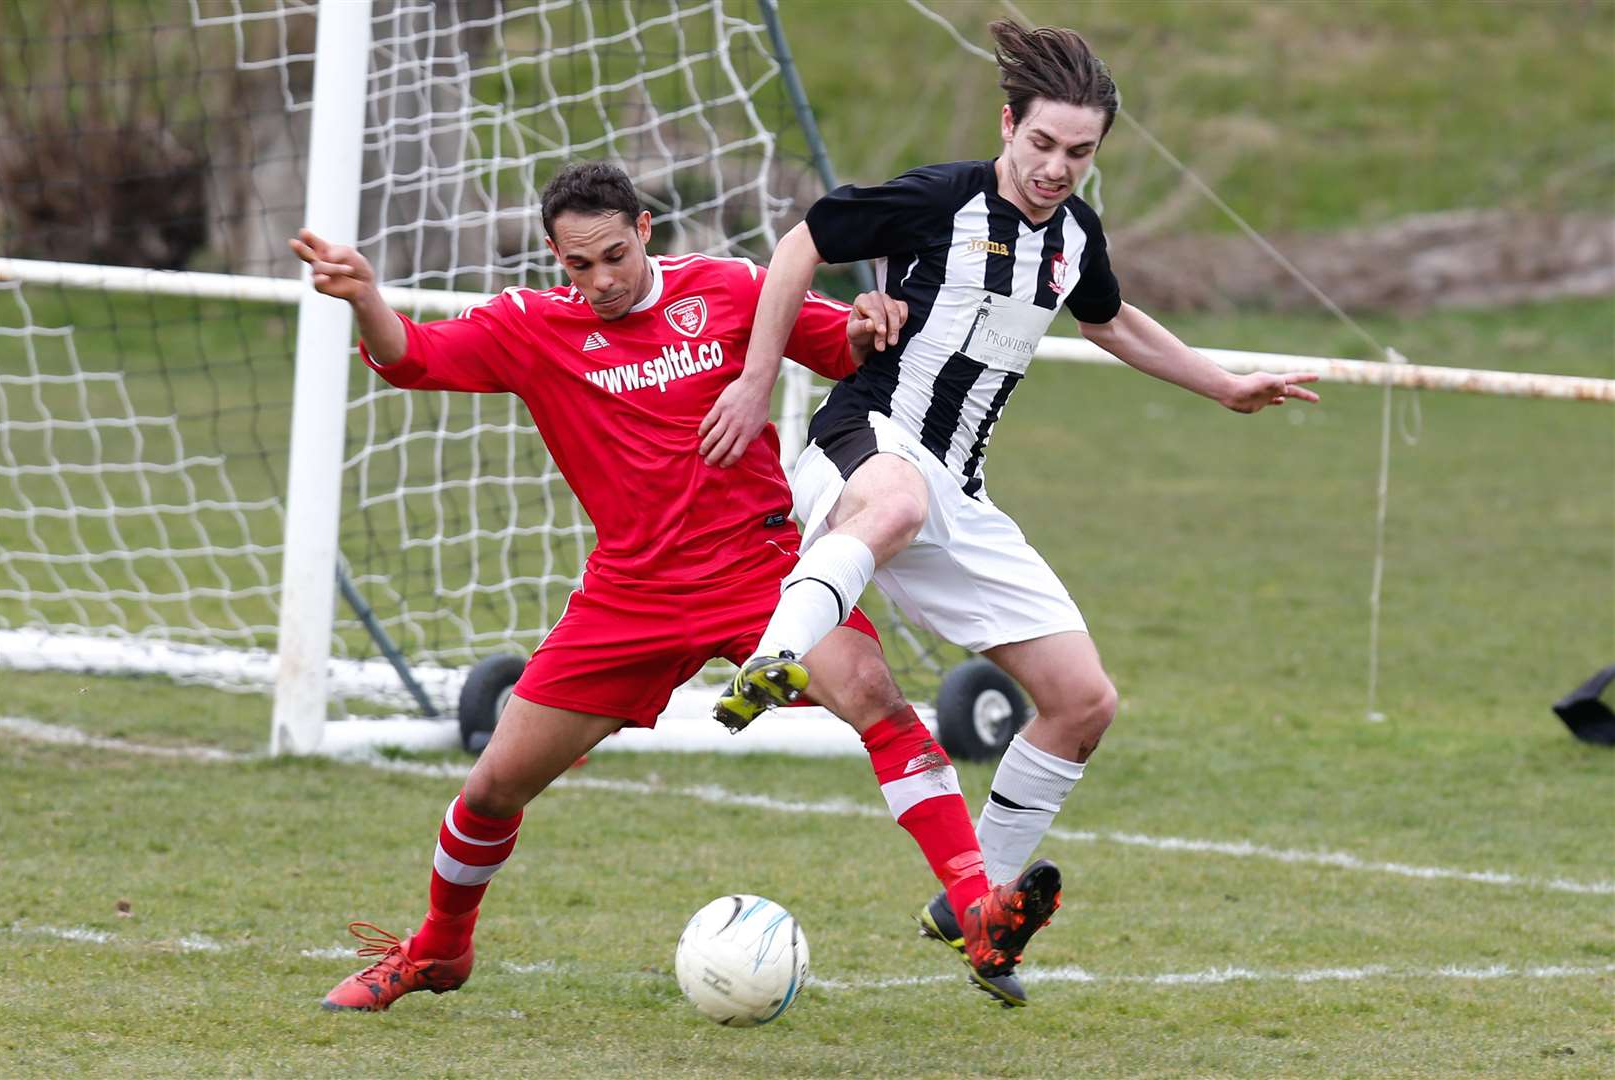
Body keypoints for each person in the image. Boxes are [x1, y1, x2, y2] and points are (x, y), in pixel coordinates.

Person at [291, 161, 1060, 1013]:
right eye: (578, 266)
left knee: (877, 695)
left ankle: (978, 906)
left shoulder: (730, 292)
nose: (601, 282)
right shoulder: (531, 325)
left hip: (757, 573)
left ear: (646, 229)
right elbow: (412, 359)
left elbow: (841, 342)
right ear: (555, 258)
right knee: (491, 788)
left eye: (614, 256)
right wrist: (366, 297)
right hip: (630, 597)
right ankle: (438, 951)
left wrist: (872, 318)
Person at [704, 21, 1321, 984]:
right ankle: (776, 658)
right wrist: (752, 381)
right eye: (1041, 144)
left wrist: (1225, 384)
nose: (1056, 167)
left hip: (962, 486)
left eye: (1079, 152)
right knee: (897, 504)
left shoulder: (1075, 236)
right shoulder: (939, 197)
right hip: (866, 441)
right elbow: (799, 245)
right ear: (1008, 125)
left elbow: (1112, 320)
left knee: (1083, 703)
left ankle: (977, 905)